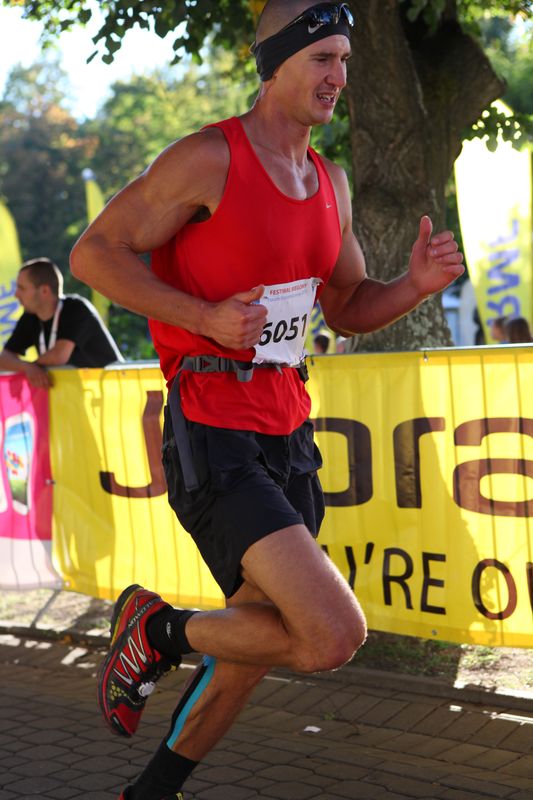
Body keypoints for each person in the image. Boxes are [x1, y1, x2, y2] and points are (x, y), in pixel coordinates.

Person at [70, 3, 464, 798]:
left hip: (289, 433)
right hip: (212, 429)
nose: (338, 77)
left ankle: (147, 792)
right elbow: (94, 254)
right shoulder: (207, 158)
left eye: (345, 61)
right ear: (274, 64)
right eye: (322, 59)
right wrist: (201, 316)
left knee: (253, 649)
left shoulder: (330, 182)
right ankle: (157, 629)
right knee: (329, 635)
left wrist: (413, 286)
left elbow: (345, 305)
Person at [0, 257, 123, 388]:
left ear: (44, 291)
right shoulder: (30, 317)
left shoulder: (76, 308)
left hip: (111, 390)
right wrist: (28, 368)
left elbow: (58, 356)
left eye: (22, 288)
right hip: (76, 393)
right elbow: (3, 359)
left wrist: (31, 369)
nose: (16, 295)